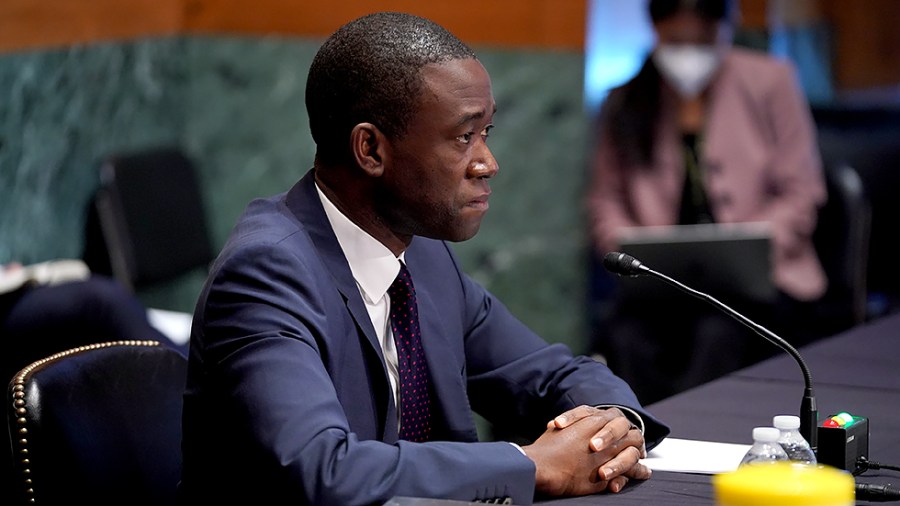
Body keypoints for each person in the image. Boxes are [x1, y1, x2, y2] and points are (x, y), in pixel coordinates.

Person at [179, 11, 670, 506]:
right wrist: (530, 466)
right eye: (463, 137)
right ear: (370, 149)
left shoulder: (424, 256)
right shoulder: (266, 274)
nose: (487, 163)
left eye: (487, 133)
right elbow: (322, 468)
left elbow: (553, 375)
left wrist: (614, 426)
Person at [585, 0, 827, 404]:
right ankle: (644, 435)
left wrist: (759, 245)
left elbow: (802, 191)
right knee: (627, 336)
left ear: (725, 28)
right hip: (661, 285)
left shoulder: (771, 82)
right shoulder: (626, 98)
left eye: (701, 39)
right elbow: (604, 199)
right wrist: (628, 250)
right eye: (676, 40)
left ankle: (688, 438)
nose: (688, 52)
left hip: (763, 283)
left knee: (720, 332)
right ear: (655, 31)